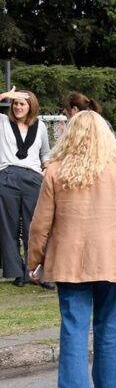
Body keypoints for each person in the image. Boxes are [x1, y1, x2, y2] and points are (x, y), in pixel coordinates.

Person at [26, 111, 116, 388]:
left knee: (74, 329)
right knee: (110, 327)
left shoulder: (54, 172)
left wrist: (33, 260)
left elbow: (41, 223)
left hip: (69, 261)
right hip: (111, 258)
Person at [0, 88, 51, 287]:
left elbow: (45, 154)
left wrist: (47, 168)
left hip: (33, 179)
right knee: (8, 227)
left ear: (31, 106)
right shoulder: (3, 123)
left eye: (22, 103)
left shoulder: (41, 127)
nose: (18, 107)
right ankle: (17, 272)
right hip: (7, 176)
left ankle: (36, 270)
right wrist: (4, 96)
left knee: (35, 227)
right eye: (15, 104)